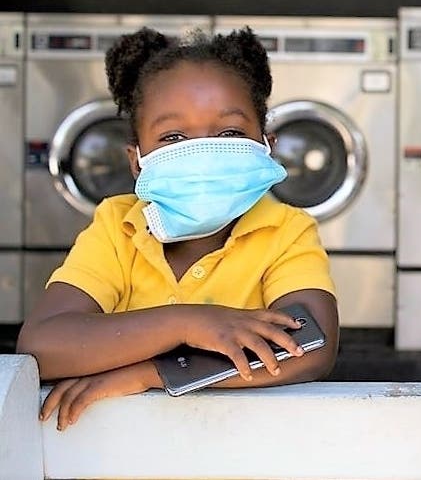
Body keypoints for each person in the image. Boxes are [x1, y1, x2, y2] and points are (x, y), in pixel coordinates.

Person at [17, 27, 339, 430]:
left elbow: (312, 346)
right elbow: (43, 344)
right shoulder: (117, 227)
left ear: (266, 144)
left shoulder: (286, 230)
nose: (202, 152)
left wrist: (153, 372)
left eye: (230, 134)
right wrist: (187, 323)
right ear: (137, 160)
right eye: (173, 137)